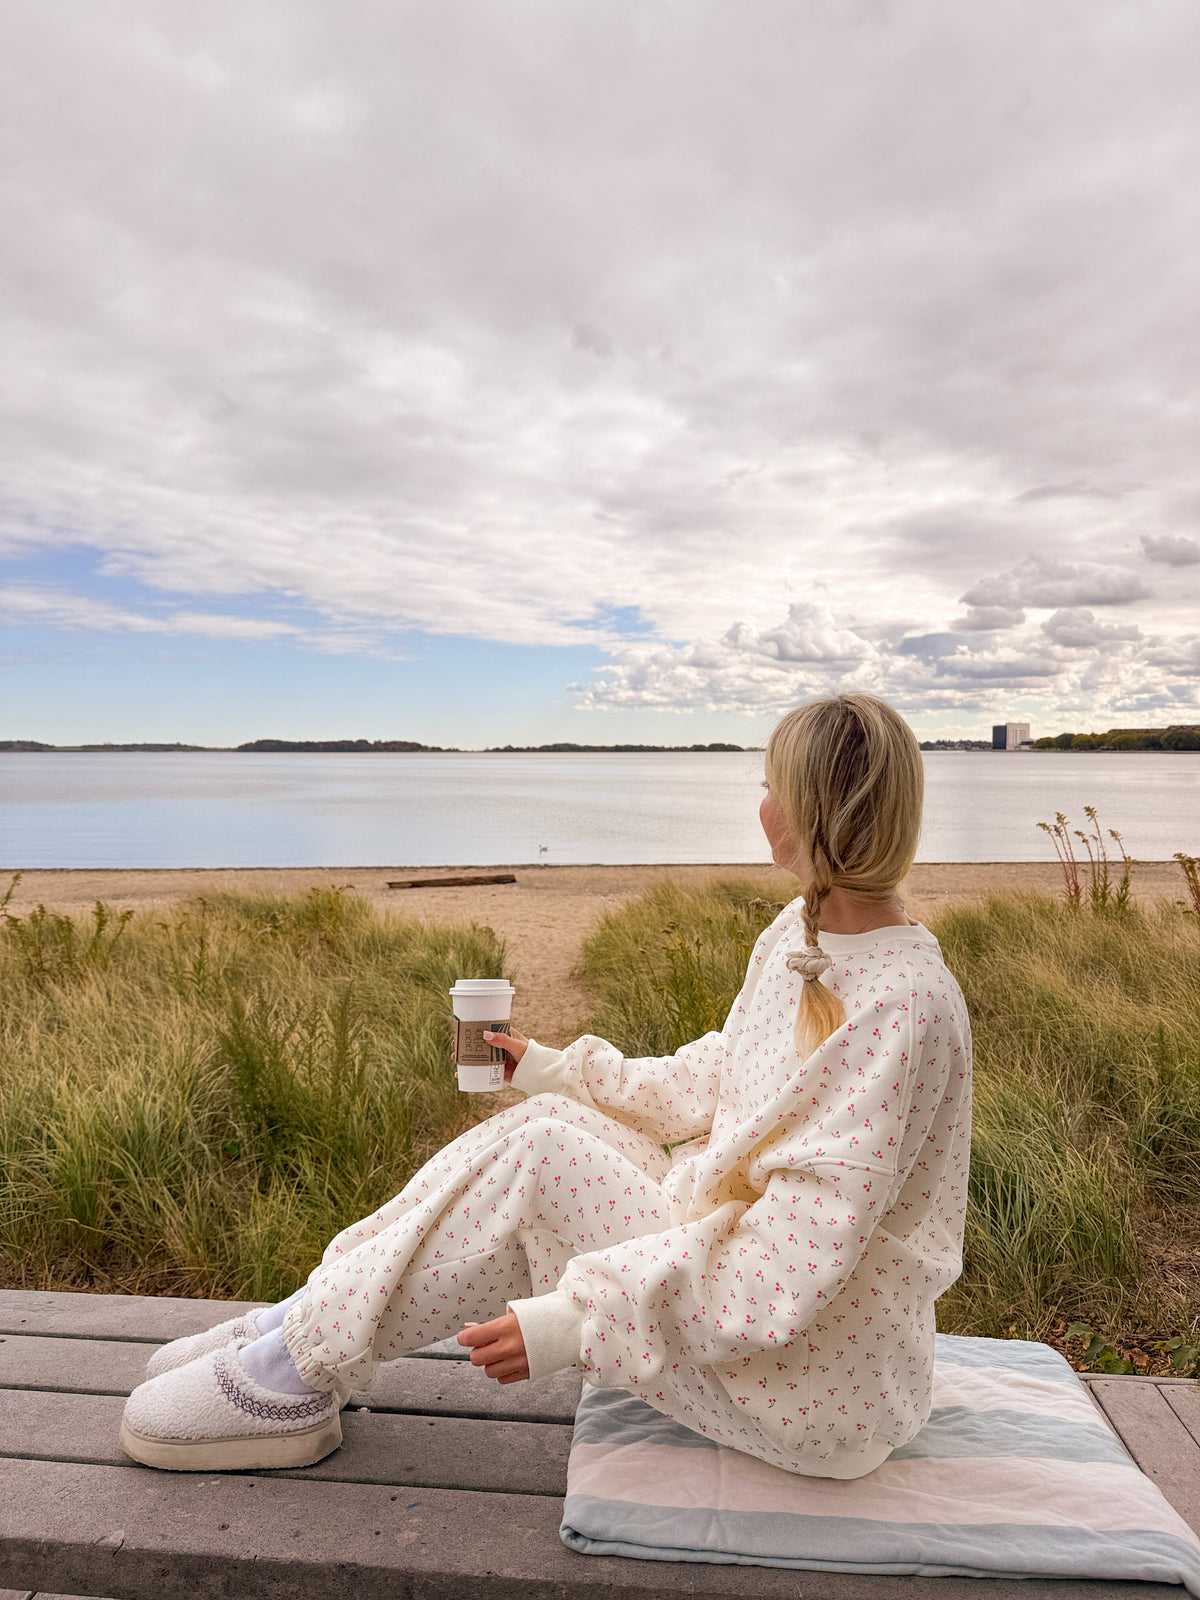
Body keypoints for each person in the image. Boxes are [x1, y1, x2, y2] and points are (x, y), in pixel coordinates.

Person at [119, 692, 972, 1480]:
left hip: (811, 1390)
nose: (761, 806)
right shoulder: (803, 930)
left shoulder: (902, 1008)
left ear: (822, 812)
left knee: (543, 1155)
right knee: (558, 1119)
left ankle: (294, 1368)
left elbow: (786, 1266)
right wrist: (556, 1069)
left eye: (771, 786)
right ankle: (304, 1322)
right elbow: (714, 1079)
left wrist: (576, 1322)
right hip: (764, 1320)